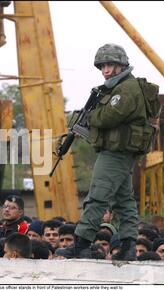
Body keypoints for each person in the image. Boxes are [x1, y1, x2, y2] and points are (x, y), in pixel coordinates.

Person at [65, 43, 158, 261]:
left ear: (122, 65)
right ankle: (128, 245)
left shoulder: (126, 89)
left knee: (97, 197)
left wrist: (90, 116)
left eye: (110, 65)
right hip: (118, 152)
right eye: (102, 66)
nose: (105, 70)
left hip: (116, 153)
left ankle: (82, 243)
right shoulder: (117, 87)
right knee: (123, 201)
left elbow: (107, 117)